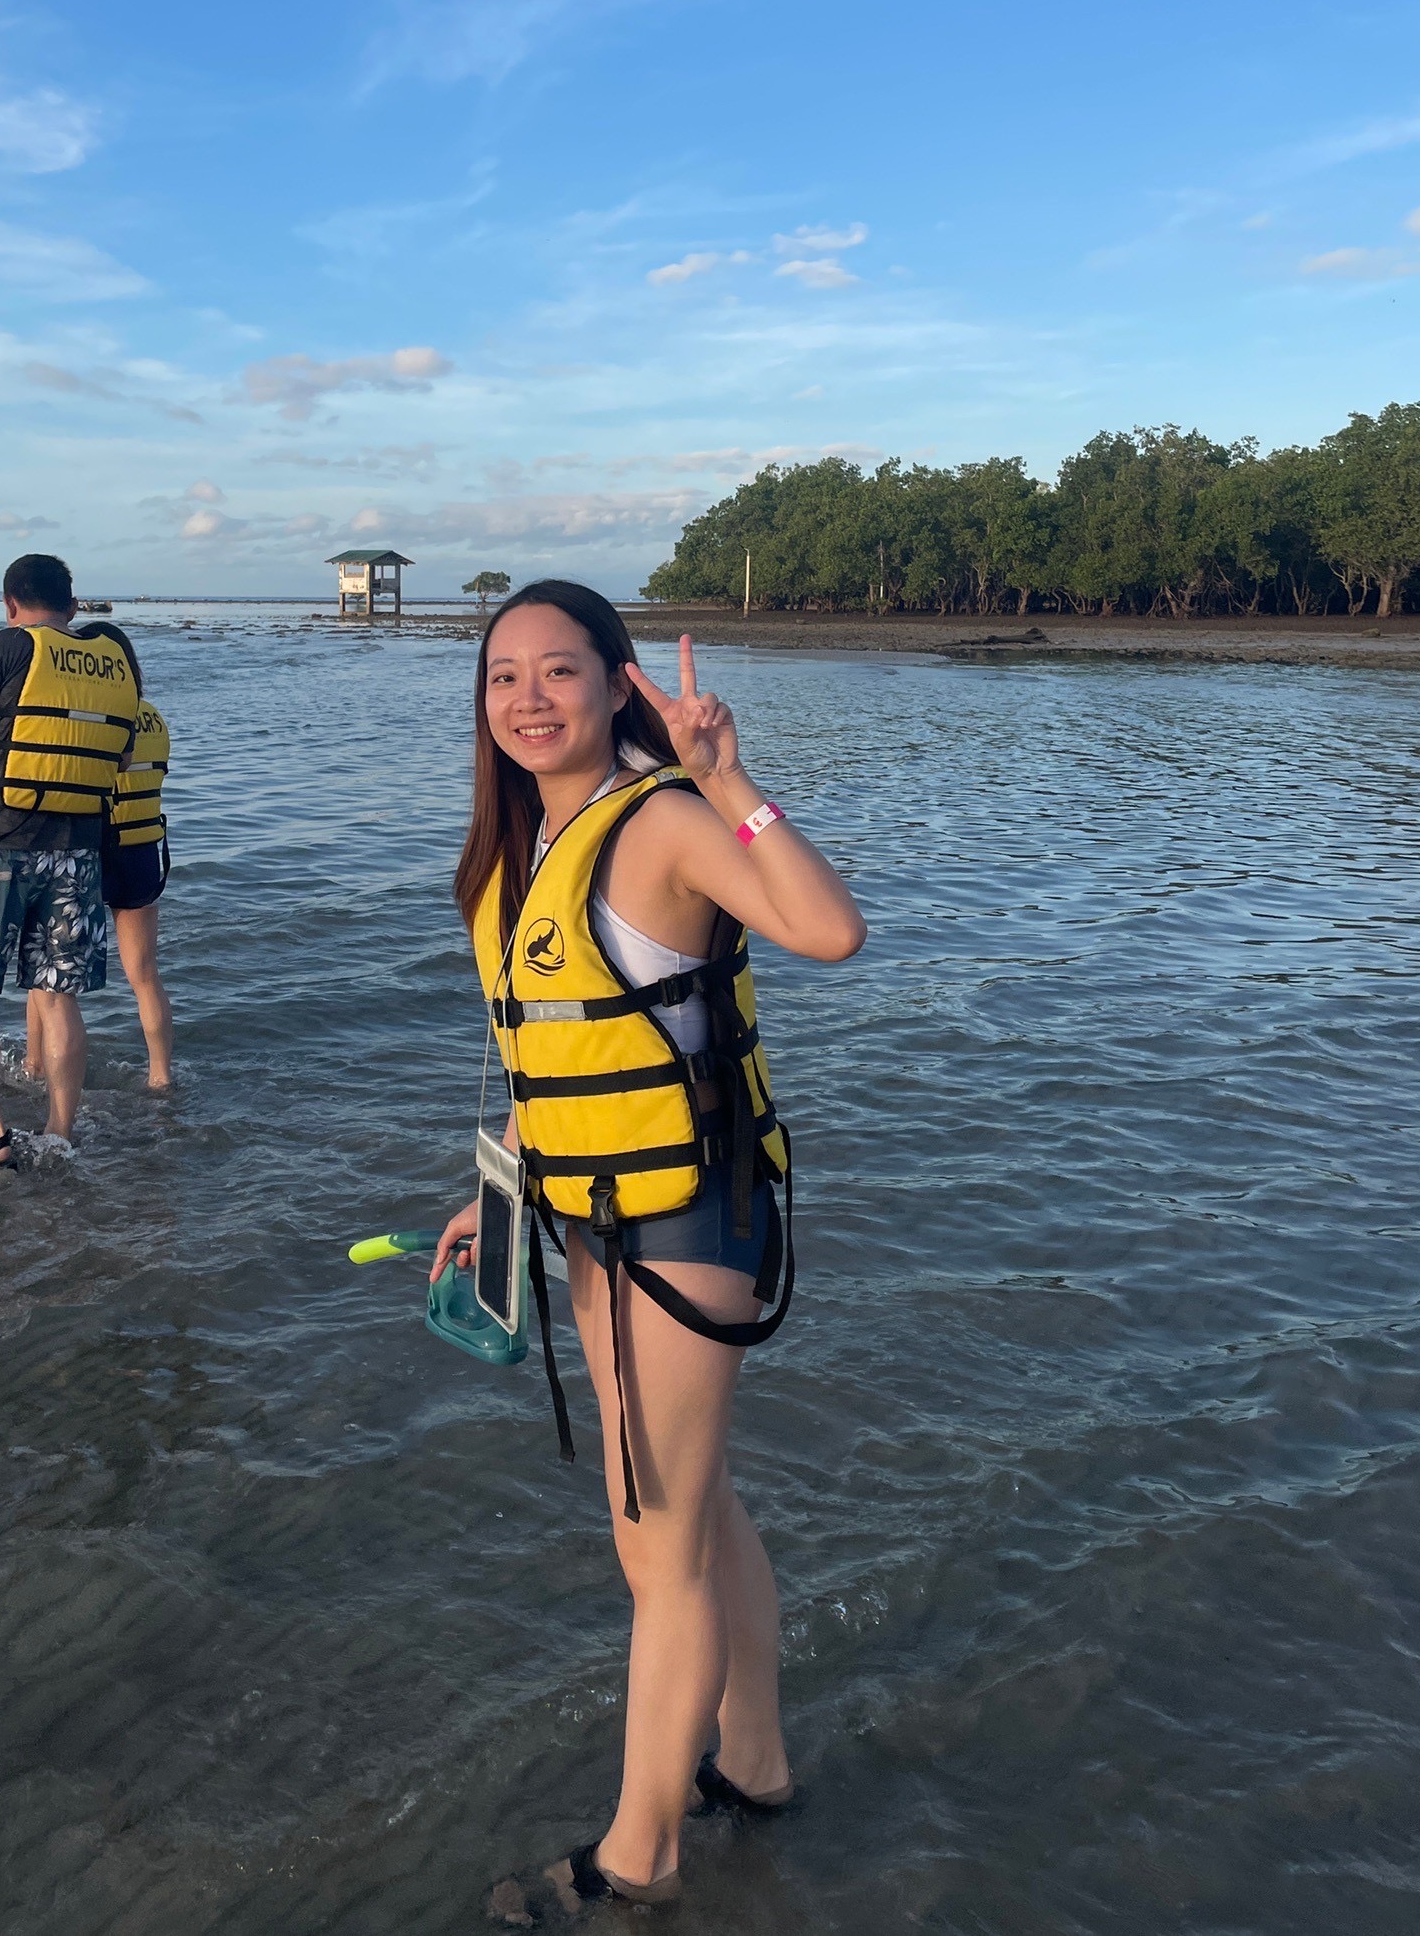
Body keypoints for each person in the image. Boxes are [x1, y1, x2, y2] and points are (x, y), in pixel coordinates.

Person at [432, 581, 866, 1920]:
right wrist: (495, 1189)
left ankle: (638, 1862)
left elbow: (827, 930)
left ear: (618, 682)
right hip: (586, 1212)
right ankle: (755, 1761)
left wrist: (730, 777)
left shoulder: (662, 817)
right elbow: (548, 1045)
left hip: (683, 1215)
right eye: (504, 676)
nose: (527, 699)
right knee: (696, 1498)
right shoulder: (523, 845)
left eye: (559, 672)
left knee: (654, 1541)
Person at [0, 553, 141, 1173]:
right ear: (72, 604)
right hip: (78, 851)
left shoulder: (4, 647)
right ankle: (61, 1134)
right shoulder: (114, 660)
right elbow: (118, 758)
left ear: (10, 602)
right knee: (58, 994)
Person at [26, 689, 173, 1090]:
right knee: (144, 975)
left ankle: (35, 1064)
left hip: (89, 849)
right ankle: (161, 1076)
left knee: (46, 975)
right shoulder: (154, 717)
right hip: (143, 851)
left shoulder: (91, 715)